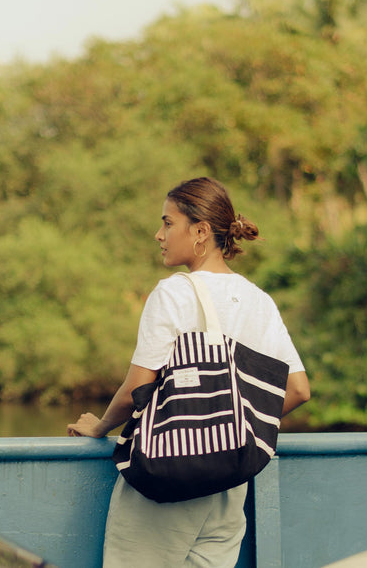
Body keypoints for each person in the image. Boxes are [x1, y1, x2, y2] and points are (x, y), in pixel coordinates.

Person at [67, 177, 310, 567]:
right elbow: (298, 389)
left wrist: (98, 429)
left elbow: (136, 389)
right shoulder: (259, 301)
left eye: (167, 223)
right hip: (228, 487)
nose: (158, 234)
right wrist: (232, 428)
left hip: (168, 477)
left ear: (199, 232)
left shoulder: (173, 293)